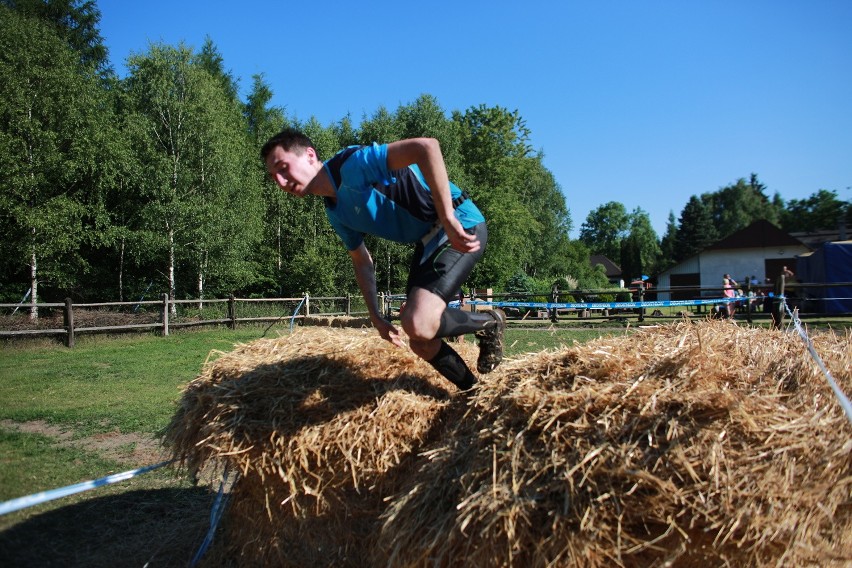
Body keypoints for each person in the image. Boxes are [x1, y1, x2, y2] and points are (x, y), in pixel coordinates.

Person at [261, 129, 506, 391]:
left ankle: (491, 322)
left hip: (459, 222)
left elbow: (427, 147)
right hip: (428, 242)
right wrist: (376, 316)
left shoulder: (353, 165)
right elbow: (362, 260)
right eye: (274, 176)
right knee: (420, 340)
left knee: (417, 322)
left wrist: (447, 216)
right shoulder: (335, 212)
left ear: (310, 155)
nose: (280, 181)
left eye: (283, 168)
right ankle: (474, 392)